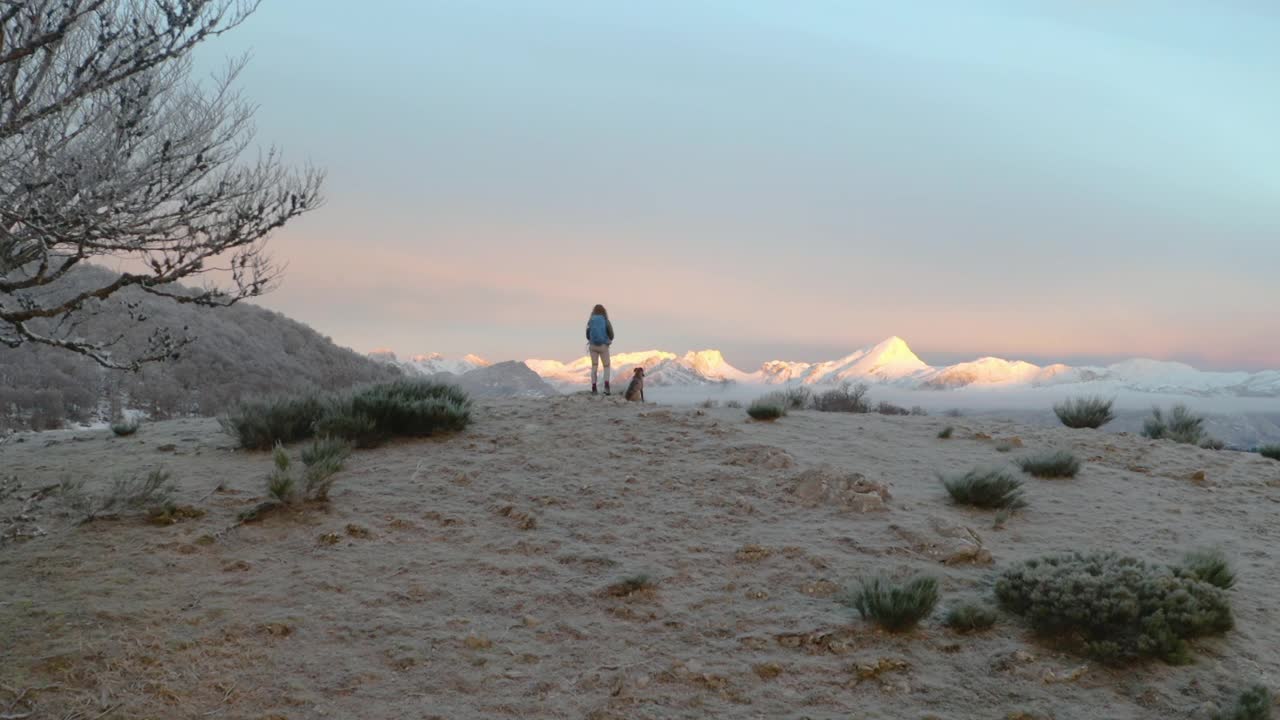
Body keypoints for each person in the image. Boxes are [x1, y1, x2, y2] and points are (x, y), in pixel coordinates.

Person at [585, 304, 614, 394]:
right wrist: (607, 340)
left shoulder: (591, 321)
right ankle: (606, 387)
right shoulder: (605, 320)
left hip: (592, 346)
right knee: (606, 366)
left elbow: (587, 335)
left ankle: (594, 387)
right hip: (603, 346)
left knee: (594, 366)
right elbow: (612, 334)